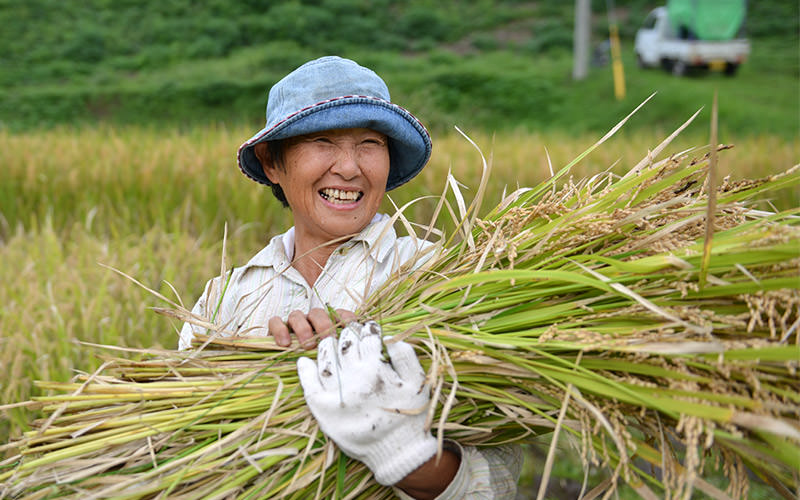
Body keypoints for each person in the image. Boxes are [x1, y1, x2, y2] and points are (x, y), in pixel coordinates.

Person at [180, 56, 521, 499]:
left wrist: (401, 450)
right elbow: (183, 451)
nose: (348, 167)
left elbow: (498, 482)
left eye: (369, 143)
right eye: (322, 140)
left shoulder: (437, 279)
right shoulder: (225, 299)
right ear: (272, 162)